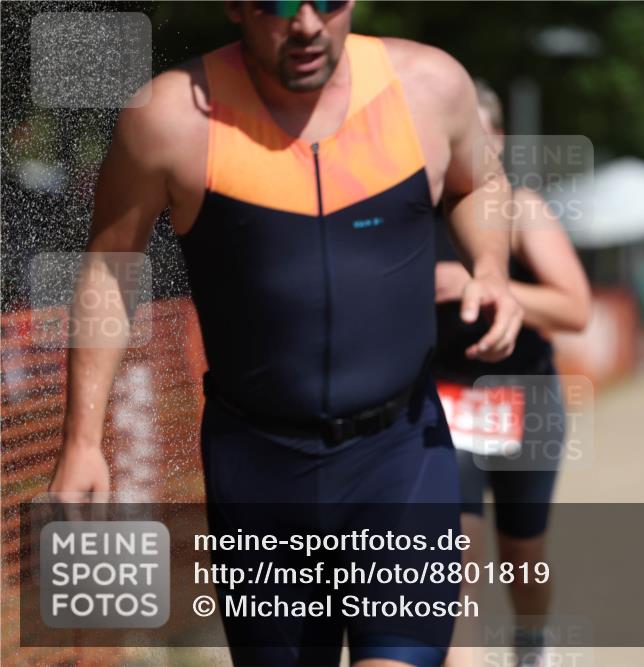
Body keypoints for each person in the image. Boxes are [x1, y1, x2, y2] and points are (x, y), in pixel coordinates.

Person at [46, 2, 523, 666]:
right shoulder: (167, 119)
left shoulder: (429, 86)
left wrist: (493, 269)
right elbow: (109, 269)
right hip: (259, 468)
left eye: (327, 1)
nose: (305, 23)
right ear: (235, 6)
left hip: (400, 453)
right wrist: (80, 441)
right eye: (277, 2)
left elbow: (482, 182)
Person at [432, 81, 591, 667]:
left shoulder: (522, 208)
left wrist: (485, 286)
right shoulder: (415, 211)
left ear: (497, 138)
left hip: (525, 400)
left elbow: (575, 307)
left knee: (523, 554)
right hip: (445, 404)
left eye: (477, 129)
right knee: (456, 564)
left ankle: (531, 641)